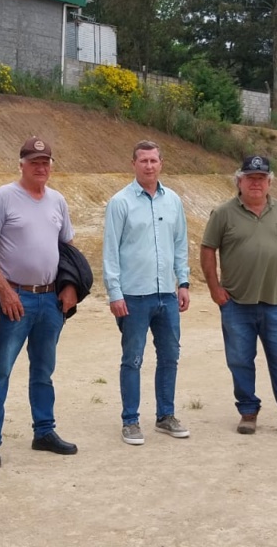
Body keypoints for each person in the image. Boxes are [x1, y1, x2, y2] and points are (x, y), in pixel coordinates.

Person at [0, 137, 79, 468]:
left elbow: (67, 248)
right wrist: (3, 291)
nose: (41, 167)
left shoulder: (57, 201)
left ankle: (44, 431)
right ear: (21, 164)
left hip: (50, 299)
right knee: (1, 370)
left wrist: (69, 287)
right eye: (34, 161)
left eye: (46, 161)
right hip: (15, 299)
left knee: (44, 370)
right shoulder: (4, 197)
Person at [200, 156, 277, 441]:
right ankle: (248, 412)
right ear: (239, 180)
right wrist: (215, 288)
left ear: (269, 182)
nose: (255, 182)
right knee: (239, 360)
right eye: (250, 177)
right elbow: (207, 250)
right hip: (236, 303)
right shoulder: (224, 213)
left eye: (261, 178)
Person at [103, 139, 191, 446]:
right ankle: (130, 420)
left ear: (161, 163)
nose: (149, 166)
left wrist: (183, 282)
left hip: (167, 293)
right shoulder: (120, 202)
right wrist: (114, 293)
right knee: (133, 358)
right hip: (133, 296)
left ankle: (166, 415)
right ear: (133, 164)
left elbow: (180, 244)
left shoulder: (174, 201)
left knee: (170, 356)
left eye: (154, 160)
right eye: (143, 161)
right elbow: (110, 251)